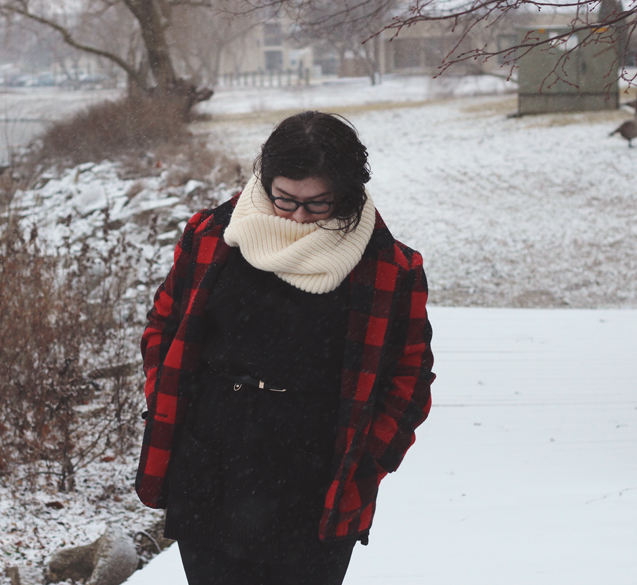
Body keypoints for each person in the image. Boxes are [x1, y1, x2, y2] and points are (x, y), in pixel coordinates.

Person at [135, 111, 435, 585]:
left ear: (347, 192)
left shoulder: (389, 267)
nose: (297, 216)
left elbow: (411, 375)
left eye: (318, 204)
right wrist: (166, 402)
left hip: (317, 476)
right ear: (265, 181)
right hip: (210, 460)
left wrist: (371, 457)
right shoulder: (212, 236)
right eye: (285, 199)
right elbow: (164, 326)